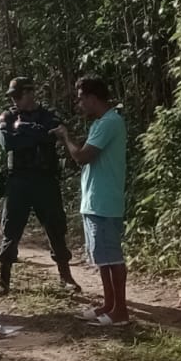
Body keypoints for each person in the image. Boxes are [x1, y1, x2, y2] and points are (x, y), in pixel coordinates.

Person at [0, 77, 81, 297]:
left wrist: (26, 133)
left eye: (18, 95)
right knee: (11, 229)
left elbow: (58, 134)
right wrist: (39, 135)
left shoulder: (49, 116)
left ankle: (65, 275)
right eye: (13, 97)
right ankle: (3, 279)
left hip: (45, 180)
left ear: (30, 93)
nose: (14, 100)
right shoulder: (8, 116)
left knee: (56, 228)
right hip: (18, 181)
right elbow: (8, 143)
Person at [57, 76, 129, 325]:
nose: (79, 105)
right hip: (95, 200)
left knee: (112, 257)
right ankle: (109, 305)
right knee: (102, 257)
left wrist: (66, 137)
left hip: (104, 201)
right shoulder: (101, 123)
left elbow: (82, 156)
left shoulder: (110, 122)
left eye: (80, 99)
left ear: (92, 97)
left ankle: (121, 311)